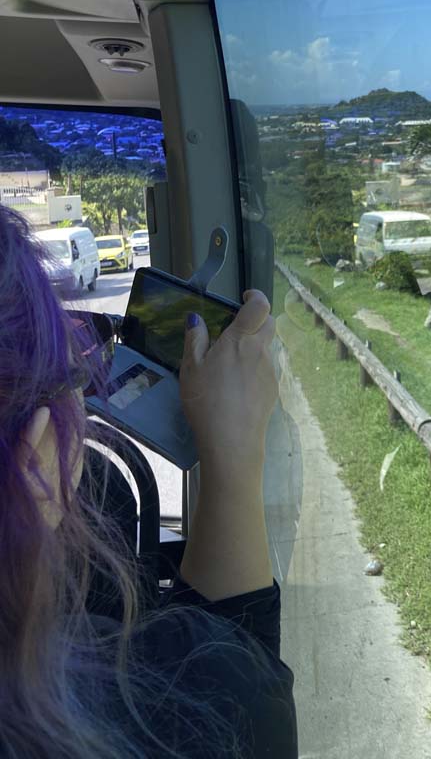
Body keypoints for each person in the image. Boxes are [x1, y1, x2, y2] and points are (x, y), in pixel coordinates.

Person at [0, 204, 298, 758]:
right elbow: (242, 694)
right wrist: (234, 456)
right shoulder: (153, 718)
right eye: (77, 365)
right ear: (35, 460)